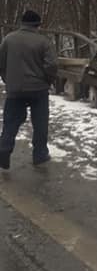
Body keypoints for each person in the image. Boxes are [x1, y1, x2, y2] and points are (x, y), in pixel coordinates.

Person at [0, 9, 58, 169]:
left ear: (22, 23)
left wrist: (8, 80)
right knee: (40, 123)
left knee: (10, 122)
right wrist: (48, 80)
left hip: (15, 89)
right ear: (38, 24)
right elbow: (52, 65)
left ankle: (4, 150)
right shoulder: (43, 41)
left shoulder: (8, 39)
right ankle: (39, 155)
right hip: (38, 89)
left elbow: (1, 63)